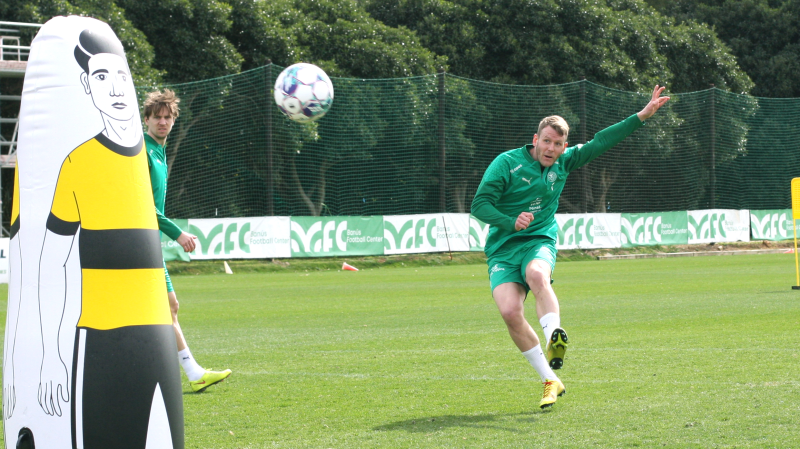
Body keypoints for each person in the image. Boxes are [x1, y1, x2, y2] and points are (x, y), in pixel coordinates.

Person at [471, 85, 670, 409]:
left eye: (558, 144)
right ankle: (550, 379)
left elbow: (601, 141)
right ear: (536, 140)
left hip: (539, 239)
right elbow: (479, 205)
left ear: (564, 147)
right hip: (503, 247)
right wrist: (509, 220)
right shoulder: (506, 164)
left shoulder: (564, 162)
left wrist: (642, 116)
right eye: (547, 141)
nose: (551, 149)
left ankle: (555, 335)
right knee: (509, 312)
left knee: (537, 274)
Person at [38, 26, 183, 448]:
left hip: (150, 331)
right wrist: (50, 355)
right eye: (100, 77)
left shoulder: (148, 155)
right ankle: (192, 366)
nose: (114, 87)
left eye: (119, 75)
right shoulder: (79, 161)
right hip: (100, 337)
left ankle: (189, 367)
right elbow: (51, 259)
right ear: (87, 87)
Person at [142, 89, 232, 392]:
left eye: (168, 117)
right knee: (161, 310)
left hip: (150, 242)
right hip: (141, 241)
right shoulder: (142, 150)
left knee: (170, 307)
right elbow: (142, 205)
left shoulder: (159, 150)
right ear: (147, 120)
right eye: (158, 118)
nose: (164, 122)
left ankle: (193, 374)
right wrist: (177, 234)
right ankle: (191, 374)